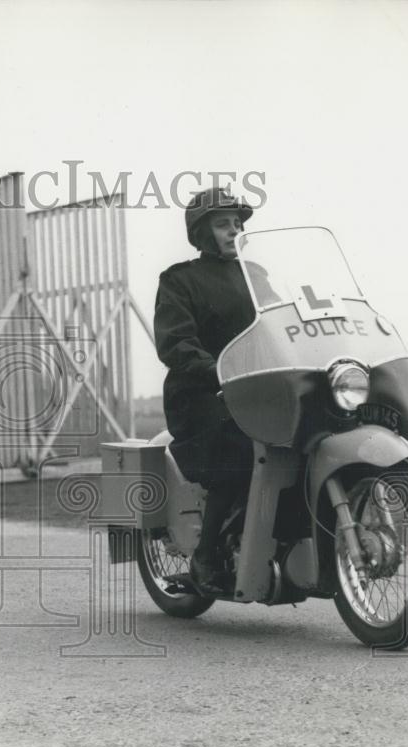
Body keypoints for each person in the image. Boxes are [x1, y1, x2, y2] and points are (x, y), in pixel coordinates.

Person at [153, 186, 278, 594]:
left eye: (238, 223)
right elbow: (176, 343)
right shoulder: (180, 280)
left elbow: (281, 324)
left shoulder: (257, 275)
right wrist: (217, 372)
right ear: (202, 231)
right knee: (238, 444)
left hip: (258, 390)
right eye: (223, 224)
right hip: (202, 394)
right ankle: (206, 555)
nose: (234, 230)